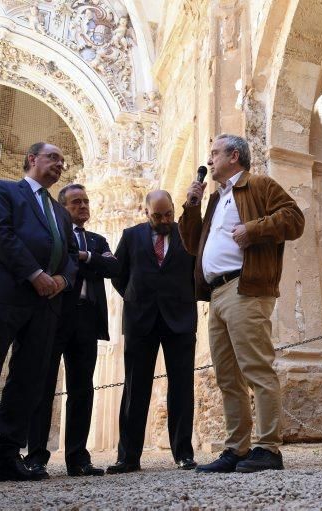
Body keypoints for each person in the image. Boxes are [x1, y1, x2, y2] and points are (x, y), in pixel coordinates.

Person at [0, 142, 77, 485]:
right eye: (53, 157)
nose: (59, 164)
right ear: (32, 159)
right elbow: (1, 235)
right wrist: (34, 274)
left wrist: (62, 279)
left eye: (62, 161)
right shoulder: (4, 189)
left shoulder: (61, 212)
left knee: (29, 378)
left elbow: (69, 254)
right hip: (6, 293)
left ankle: (7, 454)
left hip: (46, 302)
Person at [179, 134, 304, 473]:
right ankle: (236, 448)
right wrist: (191, 205)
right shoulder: (215, 200)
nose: (209, 159)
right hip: (216, 294)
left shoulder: (259, 185)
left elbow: (294, 219)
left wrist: (254, 229)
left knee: (256, 369)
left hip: (245, 287)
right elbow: (192, 245)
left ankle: (267, 449)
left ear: (234, 156)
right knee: (227, 376)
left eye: (215, 153)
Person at [26, 184, 118, 477]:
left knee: (82, 388)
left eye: (86, 201)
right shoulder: (55, 237)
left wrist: (84, 257)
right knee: (43, 386)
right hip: (55, 315)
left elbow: (111, 268)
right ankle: (36, 456)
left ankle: (78, 457)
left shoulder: (97, 239)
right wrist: (89, 260)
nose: (83, 206)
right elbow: (68, 264)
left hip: (87, 320)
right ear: (62, 209)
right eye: (76, 202)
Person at [107, 190, 198, 475]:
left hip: (180, 319)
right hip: (140, 321)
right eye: (157, 216)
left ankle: (183, 454)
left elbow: (197, 272)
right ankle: (128, 458)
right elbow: (118, 275)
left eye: (168, 214)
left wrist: (183, 299)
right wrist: (136, 298)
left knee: (182, 386)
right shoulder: (131, 235)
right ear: (146, 213)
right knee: (136, 388)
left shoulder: (186, 234)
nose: (164, 220)